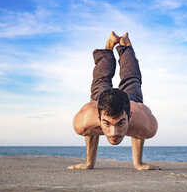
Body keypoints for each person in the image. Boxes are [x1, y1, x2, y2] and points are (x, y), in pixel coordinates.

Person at [68, 32, 160, 170]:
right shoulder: (83, 122)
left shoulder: (147, 125)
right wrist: (89, 163)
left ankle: (126, 45)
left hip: (132, 101)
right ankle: (111, 44)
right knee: (101, 78)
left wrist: (138, 164)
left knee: (131, 78)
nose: (114, 132)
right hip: (101, 99)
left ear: (129, 116)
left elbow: (138, 131)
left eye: (121, 123)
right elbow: (90, 131)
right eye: (107, 124)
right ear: (98, 117)